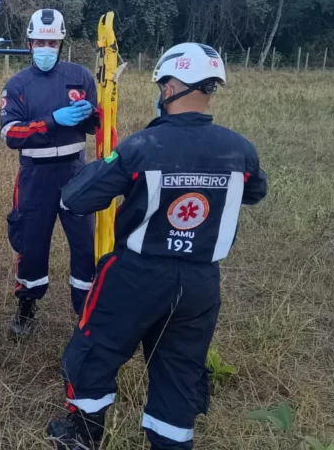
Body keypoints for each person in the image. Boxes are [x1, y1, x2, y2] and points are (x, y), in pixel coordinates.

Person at [46, 43, 268, 450]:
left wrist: (110, 166)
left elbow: (77, 199)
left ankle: (82, 436)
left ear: (168, 88)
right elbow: (254, 192)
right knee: (180, 370)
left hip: (135, 276)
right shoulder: (241, 149)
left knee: (94, 351)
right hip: (200, 284)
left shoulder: (142, 147)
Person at [0, 8, 99, 337]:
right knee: (32, 243)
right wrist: (52, 121)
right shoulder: (17, 85)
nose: (46, 48)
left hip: (75, 171)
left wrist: (90, 116)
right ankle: (27, 305)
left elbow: (96, 123)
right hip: (35, 175)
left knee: (85, 244)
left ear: (61, 44)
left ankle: (86, 310)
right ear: (29, 43)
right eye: (40, 42)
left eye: (53, 43)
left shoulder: (80, 76)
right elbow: (10, 135)